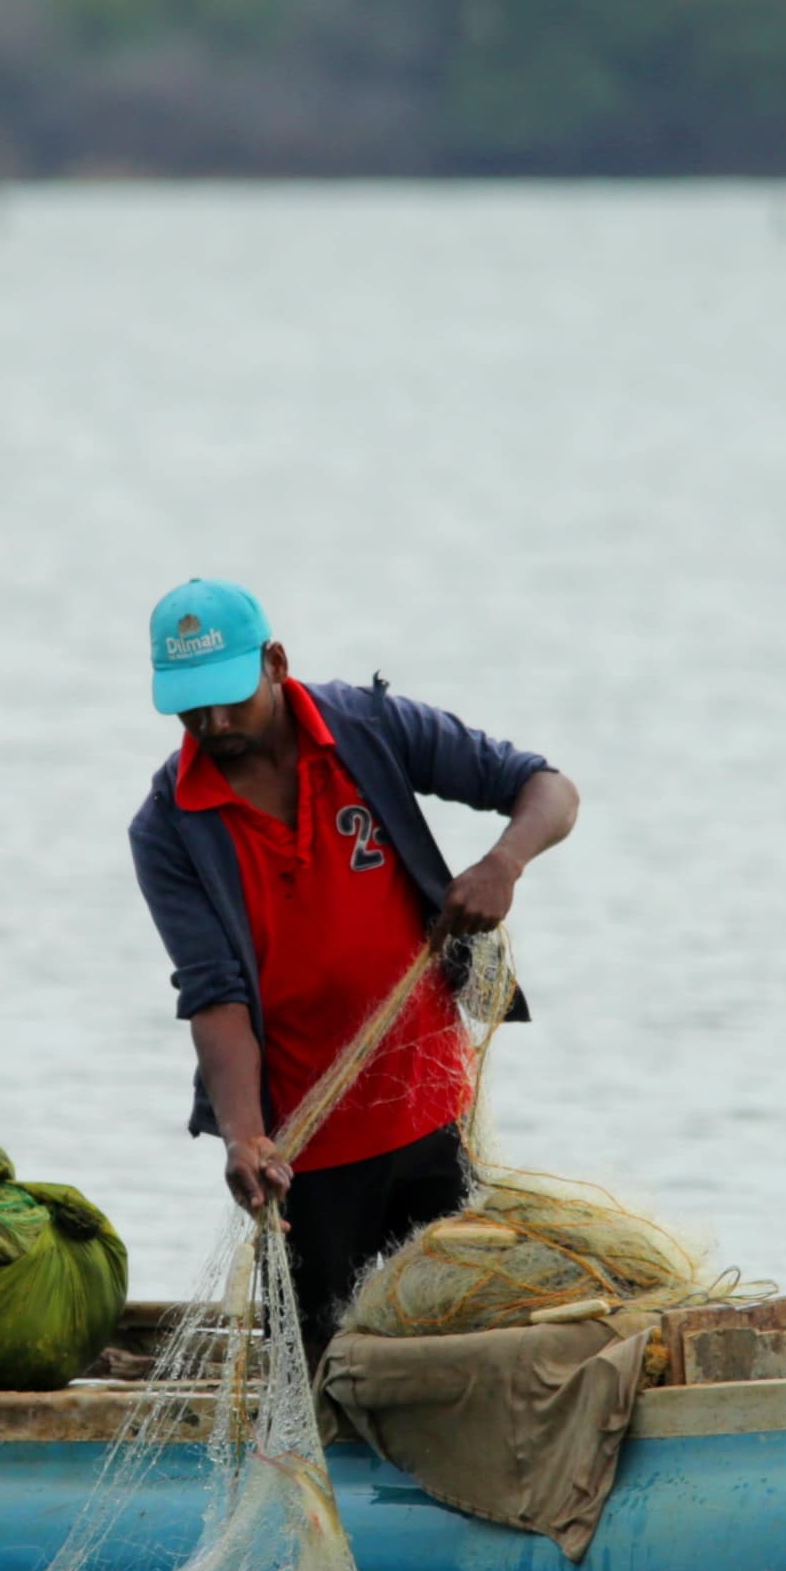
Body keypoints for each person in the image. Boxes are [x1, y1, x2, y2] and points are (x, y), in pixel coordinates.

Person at [127, 578, 579, 1363]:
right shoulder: (170, 826)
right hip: (307, 1154)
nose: (214, 724)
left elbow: (547, 788)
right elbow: (214, 995)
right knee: (321, 1367)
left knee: (459, 1346)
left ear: (275, 662)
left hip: (432, 1113)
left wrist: (503, 864)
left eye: (230, 699)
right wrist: (245, 1137)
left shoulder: (368, 730)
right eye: (191, 708)